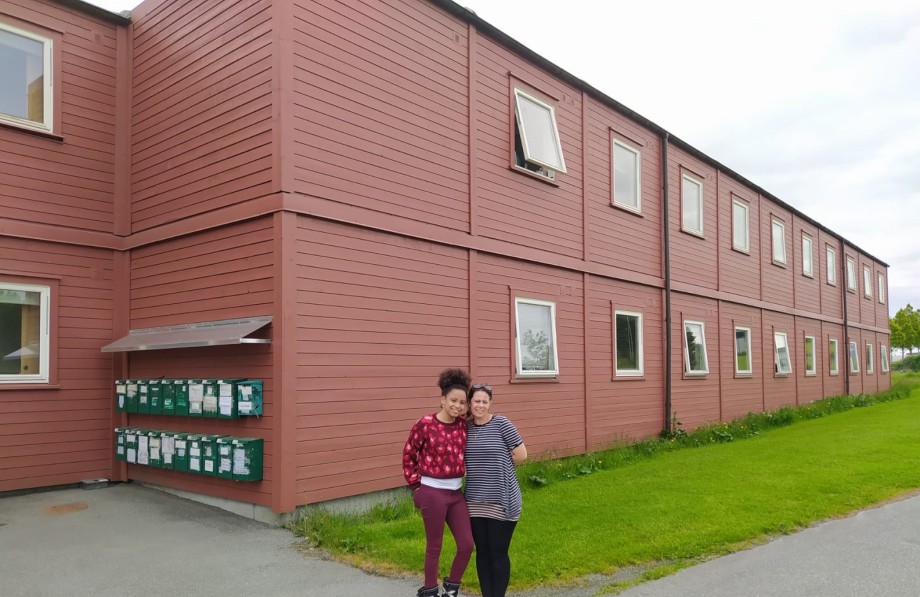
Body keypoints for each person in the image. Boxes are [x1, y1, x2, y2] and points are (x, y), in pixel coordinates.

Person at [402, 368, 475, 597]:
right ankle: (430, 590)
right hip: (432, 492)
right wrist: (417, 486)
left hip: (456, 494)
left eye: (462, 402)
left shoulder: (463, 425)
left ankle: (451, 588)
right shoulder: (426, 423)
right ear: (442, 399)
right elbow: (408, 454)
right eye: (453, 400)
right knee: (435, 546)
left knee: (466, 544)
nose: (457, 406)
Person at [464, 383, 527, 597]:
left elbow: (521, 455)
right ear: (470, 403)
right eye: (476, 401)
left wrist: (499, 468)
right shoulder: (466, 428)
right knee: (482, 553)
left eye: (484, 401)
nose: (480, 405)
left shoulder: (502, 424)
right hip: (474, 503)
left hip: (503, 500)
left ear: (490, 403)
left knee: (498, 553)